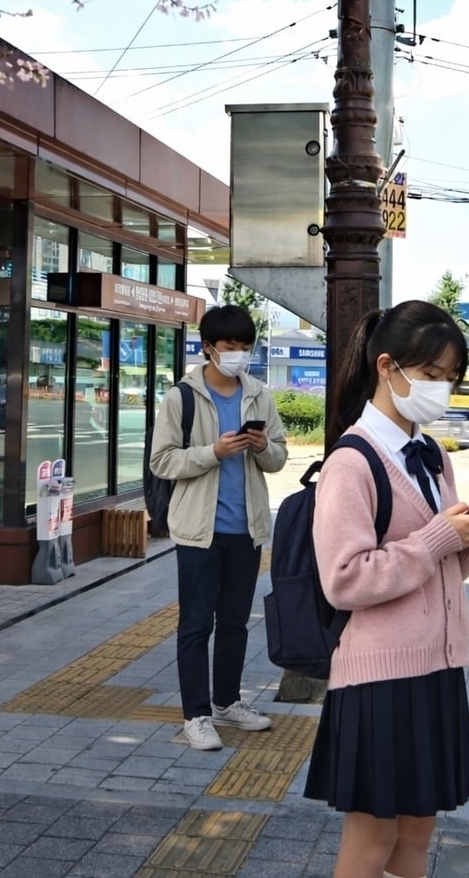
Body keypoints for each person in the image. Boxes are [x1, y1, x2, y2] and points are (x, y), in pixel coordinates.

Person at [304, 300, 469, 878]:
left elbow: (439, 569)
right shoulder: (353, 461)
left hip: (437, 667)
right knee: (373, 841)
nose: (442, 389)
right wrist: (439, 539)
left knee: (416, 837)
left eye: (450, 378)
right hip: (379, 676)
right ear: (387, 367)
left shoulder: (433, 454)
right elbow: (344, 579)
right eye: (431, 376)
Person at [148, 304, 288, 751]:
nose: (239, 356)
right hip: (197, 532)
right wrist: (213, 451)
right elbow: (162, 461)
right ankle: (196, 715)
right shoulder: (181, 398)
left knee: (234, 623)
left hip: (245, 530)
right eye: (231, 348)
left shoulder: (259, 395)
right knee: (195, 625)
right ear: (208, 347)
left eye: (246, 348)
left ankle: (227, 701)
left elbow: (280, 457)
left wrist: (263, 445)